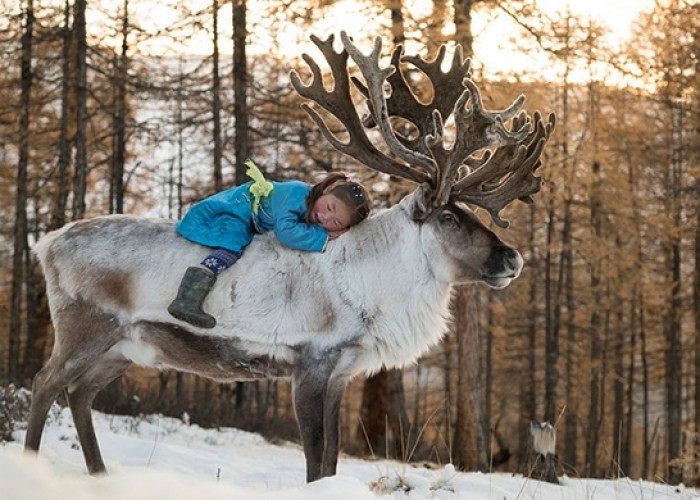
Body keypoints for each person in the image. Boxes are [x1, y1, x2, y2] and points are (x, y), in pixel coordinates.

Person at [167, 160, 372, 329]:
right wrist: (324, 237)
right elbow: (286, 233)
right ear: (328, 189)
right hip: (239, 207)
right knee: (233, 245)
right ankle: (187, 299)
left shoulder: (313, 205)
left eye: (335, 222)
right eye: (329, 207)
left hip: (250, 217)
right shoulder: (297, 194)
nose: (324, 217)